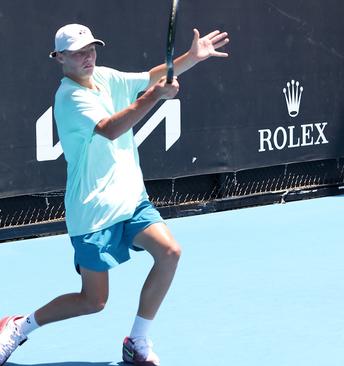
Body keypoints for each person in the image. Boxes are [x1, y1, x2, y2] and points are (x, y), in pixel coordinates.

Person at [0, 23, 229, 365]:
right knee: (93, 301)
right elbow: (110, 129)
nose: (87, 56)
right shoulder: (69, 97)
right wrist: (155, 97)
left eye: (90, 49)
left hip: (132, 198)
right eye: (77, 53)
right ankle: (20, 326)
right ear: (60, 58)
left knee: (169, 252)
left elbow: (150, 77)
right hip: (92, 210)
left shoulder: (105, 76)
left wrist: (191, 59)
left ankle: (137, 340)